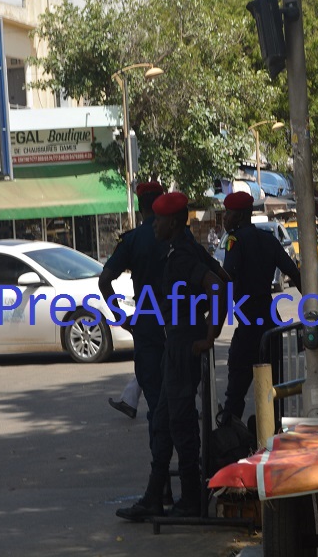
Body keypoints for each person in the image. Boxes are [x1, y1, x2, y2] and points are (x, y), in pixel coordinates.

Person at [116, 192, 226, 521]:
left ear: (174, 223)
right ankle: (154, 496)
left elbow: (218, 288)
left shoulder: (181, 255)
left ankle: (191, 498)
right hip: (174, 345)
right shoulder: (185, 249)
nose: (154, 226)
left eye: (160, 220)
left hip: (181, 345)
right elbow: (224, 280)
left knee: (180, 425)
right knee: (163, 422)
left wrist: (208, 335)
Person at [220, 191, 302, 423]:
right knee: (272, 389)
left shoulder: (234, 241)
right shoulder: (268, 239)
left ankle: (228, 438)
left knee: (235, 391)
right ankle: (272, 433)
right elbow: (295, 273)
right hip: (270, 321)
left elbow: (227, 278)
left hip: (248, 325)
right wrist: (310, 306)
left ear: (242, 215)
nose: (225, 218)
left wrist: (216, 317)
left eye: (229, 213)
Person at [99, 181, 167, 428]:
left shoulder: (133, 240)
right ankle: (188, 465)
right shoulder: (180, 236)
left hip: (147, 326)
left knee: (157, 404)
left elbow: (105, 280)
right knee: (181, 404)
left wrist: (122, 318)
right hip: (180, 323)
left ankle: (160, 466)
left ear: (139, 207)